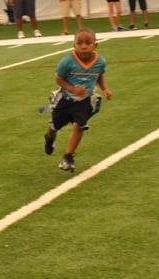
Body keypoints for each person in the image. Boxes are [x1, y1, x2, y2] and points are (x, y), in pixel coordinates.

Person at [43, 28, 112, 173]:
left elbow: (99, 75)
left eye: (88, 43)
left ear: (95, 45)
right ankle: (50, 136)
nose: (84, 46)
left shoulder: (100, 62)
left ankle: (68, 156)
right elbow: (58, 78)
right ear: (74, 45)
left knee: (80, 125)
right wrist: (73, 89)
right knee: (55, 126)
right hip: (65, 99)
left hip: (84, 101)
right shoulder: (67, 61)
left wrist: (105, 89)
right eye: (79, 43)